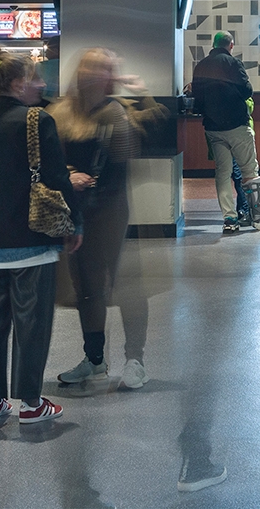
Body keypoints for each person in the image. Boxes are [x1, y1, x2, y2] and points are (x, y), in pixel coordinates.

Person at [0, 53, 78, 427]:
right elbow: (58, 178)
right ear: (16, 84)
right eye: (34, 78)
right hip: (32, 237)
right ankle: (30, 402)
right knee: (32, 324)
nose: (42, 84)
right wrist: (74, 224)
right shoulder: (37, 120)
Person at [54, 48, 165, 388]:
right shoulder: (60, 113)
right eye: (97, 70)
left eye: (107, 71)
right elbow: (46, 158)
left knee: (126, 286)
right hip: (76, 209)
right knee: (86, 288)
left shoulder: (116, 112)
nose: (101, 77)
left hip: (111, 209)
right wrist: (67, 173)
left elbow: (154, 124)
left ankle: (136, 359)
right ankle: (95, 359)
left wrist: (140, 92)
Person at [189, 32, 260, 231]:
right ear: (231, 45)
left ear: (213, 45)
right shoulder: (233, 63)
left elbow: (197, 98)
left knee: (222, 173)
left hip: (213, 128)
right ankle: (259, 216)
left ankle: (230, 219)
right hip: (236, 125)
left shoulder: (201, 66)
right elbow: (246, 90)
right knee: (250, 171)